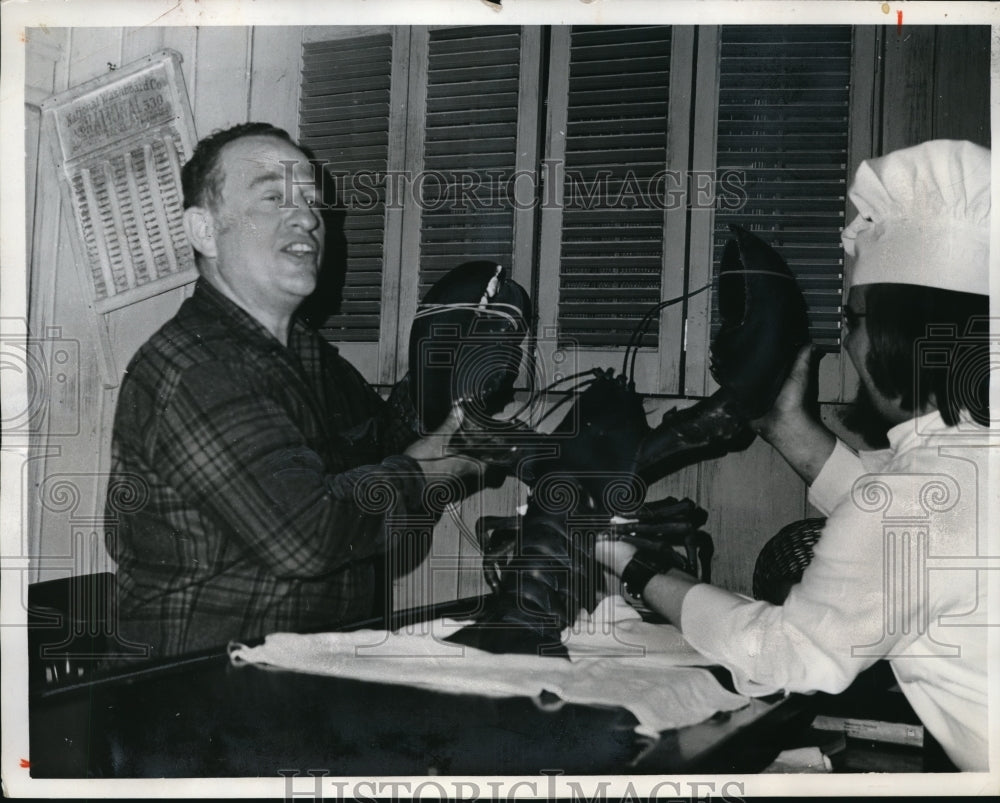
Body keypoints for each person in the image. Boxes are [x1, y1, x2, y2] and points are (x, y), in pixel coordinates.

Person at [597, 140, 992, 771]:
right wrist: (786, 424)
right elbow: (913, 521)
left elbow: (783, 655)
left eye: (854, 317)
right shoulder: (969, 460)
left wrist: (629, 563)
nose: (848, 339)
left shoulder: (913, 500)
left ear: (896, 332)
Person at [105, 122, 483, 659]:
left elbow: (380, 452)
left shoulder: (304, 353)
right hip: (199, 695)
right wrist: (427, 475)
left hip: (307, 668)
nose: (307, 217)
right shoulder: (197, 367)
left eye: (310, 201)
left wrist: (438, 379)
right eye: (273, 198)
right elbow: (311, 535)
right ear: (205, 232)